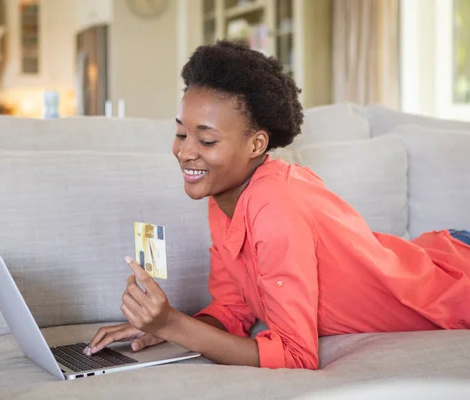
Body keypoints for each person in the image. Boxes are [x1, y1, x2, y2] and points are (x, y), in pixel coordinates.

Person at [85, 40, 470, 370]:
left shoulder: (276, 206)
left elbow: (297, 356)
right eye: (181, 133)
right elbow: (233, 311)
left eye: (206, 141)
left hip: (457, 281)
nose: (185, 152)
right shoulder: (223, 196)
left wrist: (172, 326)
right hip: (432, 252)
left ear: (256, 145)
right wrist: (159, 325)